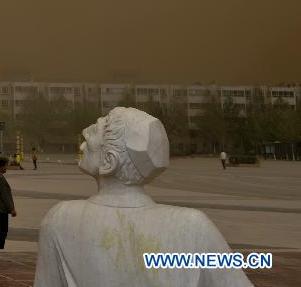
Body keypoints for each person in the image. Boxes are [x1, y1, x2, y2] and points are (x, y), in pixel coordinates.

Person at [33, 107, 251, 286]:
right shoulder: (193, 225)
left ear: (109, 161)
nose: (82, 143)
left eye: (90, 138)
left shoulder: (60, 219)